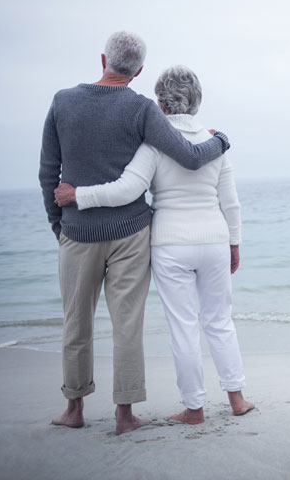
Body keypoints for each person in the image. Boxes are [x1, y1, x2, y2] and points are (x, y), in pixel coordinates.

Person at [39, 32, 230, 434]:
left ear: (104, 57)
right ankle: (124, 416)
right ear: (139, 70)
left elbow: (48, 172)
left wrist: (60, 225)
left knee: (76, 323)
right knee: (127, 324)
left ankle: (74, 410)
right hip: (131, 233)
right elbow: (192, 156)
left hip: (77, 231)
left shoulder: (62, 101)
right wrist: (224, 141)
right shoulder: (142, 109)